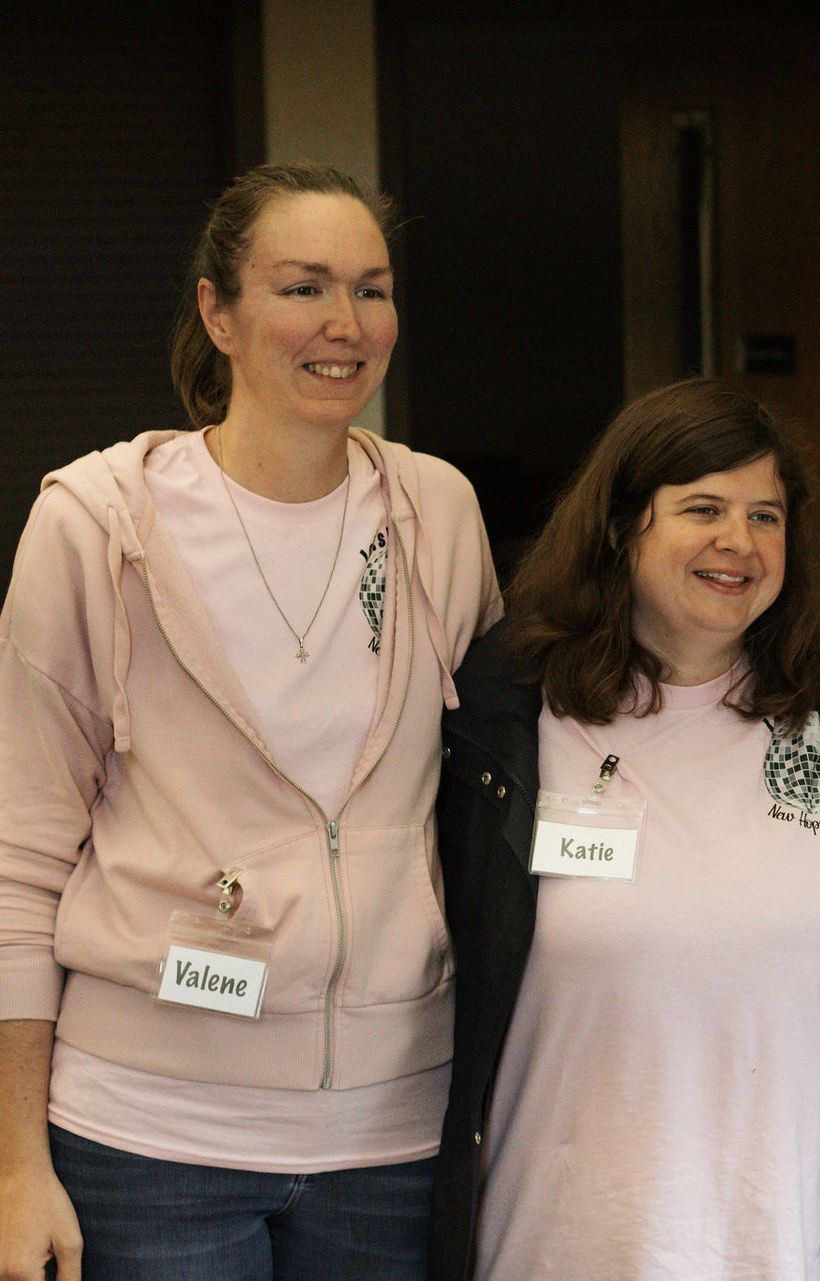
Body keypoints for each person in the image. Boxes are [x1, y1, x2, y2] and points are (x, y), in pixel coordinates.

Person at [0, 161, 500, 1281]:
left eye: (372, 289)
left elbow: (488, 795)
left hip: (392, 1138)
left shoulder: (439, 515)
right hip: (147, 1137)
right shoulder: (95, 525)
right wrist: (14, 1168)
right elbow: (18, 858)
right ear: (217, 313)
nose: (346, 324)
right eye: (304, 287)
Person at [428, 380, 820, 1281]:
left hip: (774, 1249)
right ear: (619, 524)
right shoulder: (500, 706)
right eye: (703, 508)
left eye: (766, 515)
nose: (740, 542)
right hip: (554, 1245)